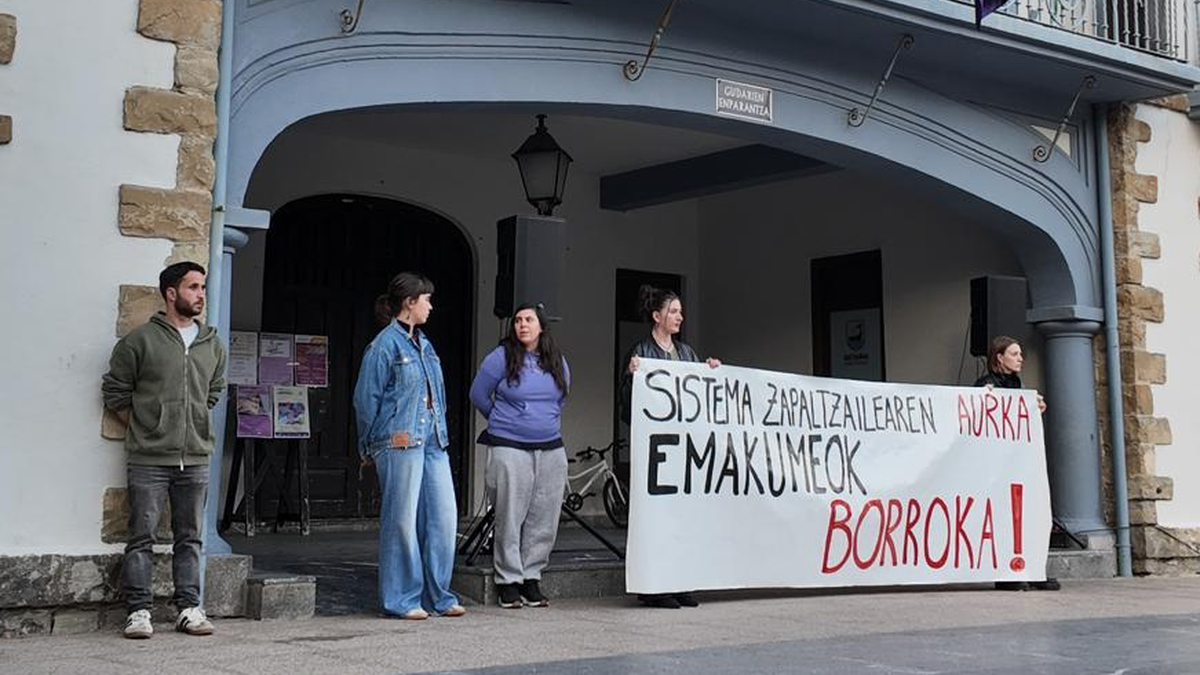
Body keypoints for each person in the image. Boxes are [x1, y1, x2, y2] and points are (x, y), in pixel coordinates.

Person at [101, 262, 227, 639]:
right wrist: (148, 428)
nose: (200, 294)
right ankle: (139, 611)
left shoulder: (212, 345)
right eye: (192, 287)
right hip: (149, 459)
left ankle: (189, 608)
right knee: (141, 537)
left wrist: (193, 428)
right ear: (171, 293)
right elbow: (115, 392)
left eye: (202, 287)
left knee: (190, 537)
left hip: (196, 458)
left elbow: (213, 393)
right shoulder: (139, 342)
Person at [353, 272, 465, 619]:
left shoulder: (425, 344)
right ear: (409, 303)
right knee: (401, 520)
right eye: (426, 299)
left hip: (434, 441)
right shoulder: (383, 345)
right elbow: (365, 399)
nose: (431, 306)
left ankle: (439, 595)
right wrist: (367, 447)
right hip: (398, 440)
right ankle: (402, 598)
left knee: (445, 518)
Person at [620, 285, 720, 609]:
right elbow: (627, 405)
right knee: (655, 517)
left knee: (682, 517)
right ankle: (653, 586)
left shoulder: (686, 353)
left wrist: (711, 373)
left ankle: (679, 581)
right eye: (673, 311)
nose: (679, 317)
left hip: (682, 450)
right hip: (656, 450)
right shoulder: (641, 352)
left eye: (680, 312)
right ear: (657, 316)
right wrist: (632, 377)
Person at [469, 303, 570, 609]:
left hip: (551, 448)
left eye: (529, 320)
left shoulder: (557, 361)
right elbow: (478, 394)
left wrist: (541, 421)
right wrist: (502, 419)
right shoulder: (500, 358)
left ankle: (531, 576)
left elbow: (562, 397)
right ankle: (508, 580)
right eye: (518, 321)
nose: (522, 325)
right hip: (509, 447)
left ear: (541, 326)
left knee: (545, 517)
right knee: (510, 515)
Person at [975, 335, 1059, 592]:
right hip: (997, 467)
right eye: (1014, 354)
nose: (1020, 358)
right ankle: (1006, 574)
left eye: (1020, 353)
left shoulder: (1015, 385)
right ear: (999, 357)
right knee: (1004, 519)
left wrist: (1034, 407)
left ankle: (1031, 569)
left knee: (1027, 517)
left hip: (1017, 466)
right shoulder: (984, 385)